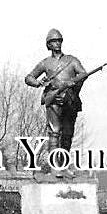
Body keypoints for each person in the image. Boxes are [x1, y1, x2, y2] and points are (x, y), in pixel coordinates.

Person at [24, 29, 88, 175]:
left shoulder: (71, 60)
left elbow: (83, 74)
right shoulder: (45, 63)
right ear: (48, 44)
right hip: (53, 98)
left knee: (68, 133)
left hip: (70, 99)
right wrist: (39, 83)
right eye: (54, 41)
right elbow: (29, 78)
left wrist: (73, 83)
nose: (57, 43)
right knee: (54, 132)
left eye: (59, 40)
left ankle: (64, 165)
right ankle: (55, 166)